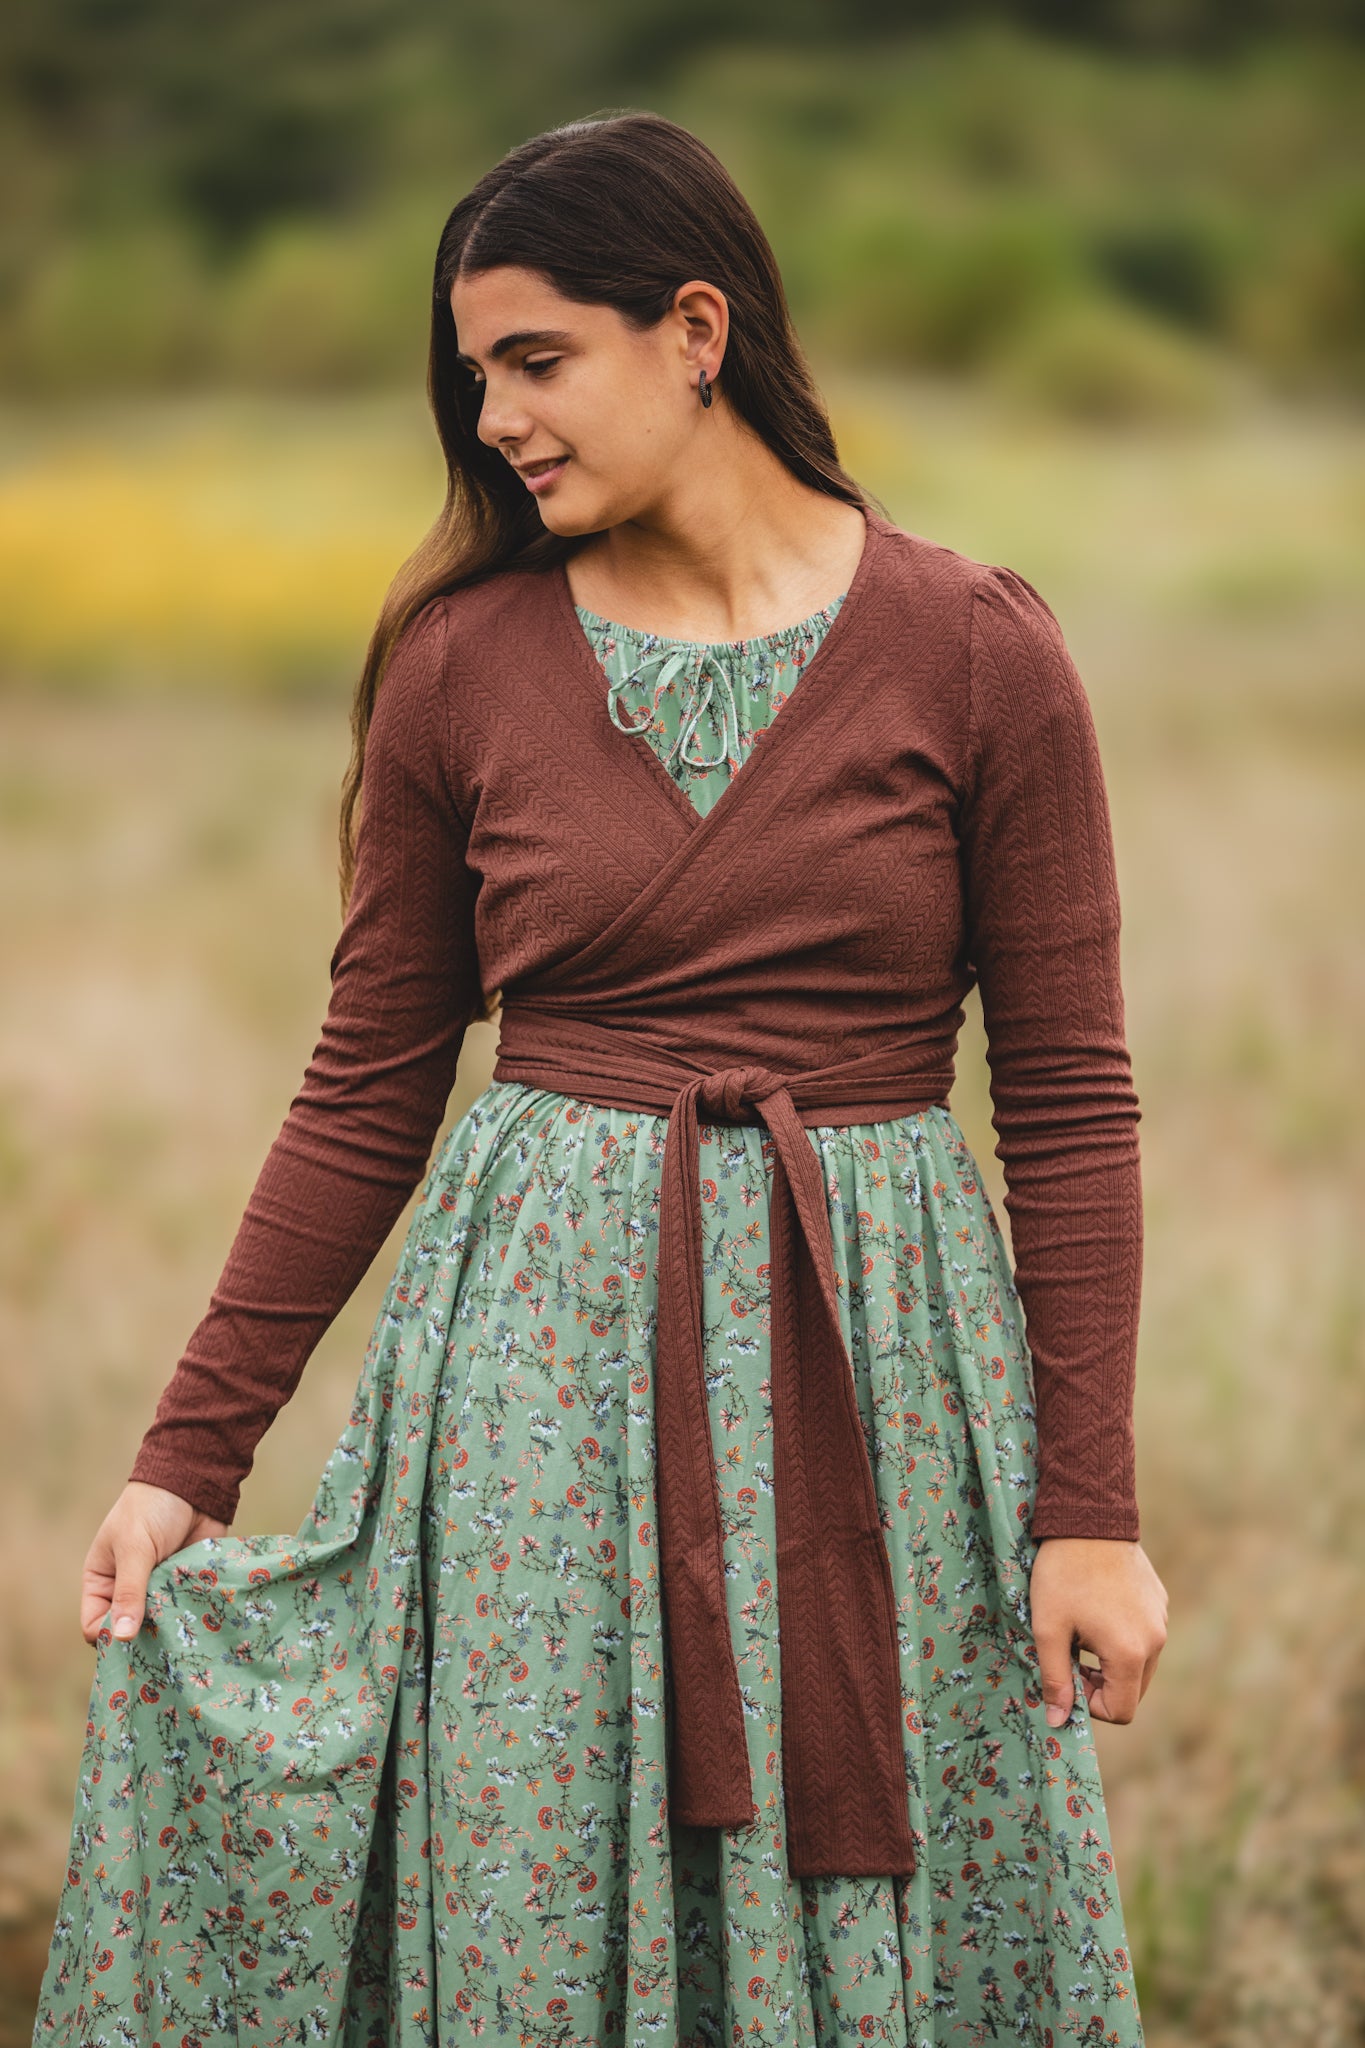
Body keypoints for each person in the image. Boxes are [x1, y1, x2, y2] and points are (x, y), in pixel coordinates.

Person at [33, 110, 1167, 2045]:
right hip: (535, 1397)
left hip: (881, 1373)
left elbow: (1064, 1097)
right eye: (471, 381)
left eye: (533, 362)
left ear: (697, 329)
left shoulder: (976, 653)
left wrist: (1089, 1503)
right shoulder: (461, 666)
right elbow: (369, 1080)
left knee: (893, 1854)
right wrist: (185, 1456)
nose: (492, 421)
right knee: (543, 1865)